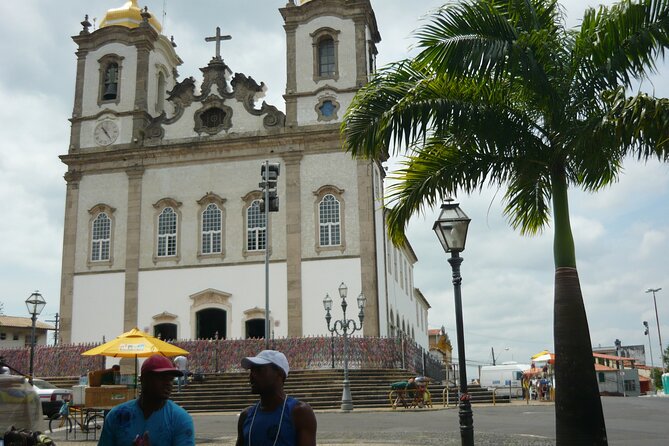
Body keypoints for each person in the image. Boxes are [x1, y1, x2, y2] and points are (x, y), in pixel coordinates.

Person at [98, 354, 194, 446]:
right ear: (144, 380)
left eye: (170, 379)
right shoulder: (116, 416)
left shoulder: (180, 419)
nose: (168, 383)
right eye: (161, 378)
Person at [236, 350, 317, 446]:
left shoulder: (299, 413)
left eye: (259, 370)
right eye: (251, 371)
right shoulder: (246, 416)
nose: (251, 376)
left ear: (279, 374)